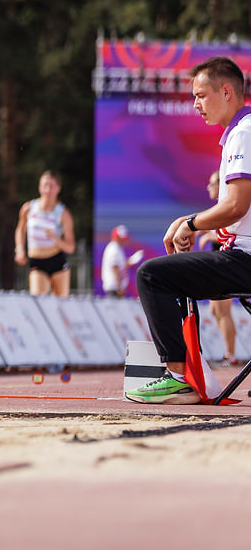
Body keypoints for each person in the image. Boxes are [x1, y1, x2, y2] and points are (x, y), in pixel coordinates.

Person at [127, 56, 251, 404]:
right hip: (240, 255)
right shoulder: (240, 133)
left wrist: (189, 222)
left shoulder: (245, 133)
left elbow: (236, 206)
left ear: (226, 91)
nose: (195, 105)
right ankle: (189, 374)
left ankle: (180, 377)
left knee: (153, 275)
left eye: (200, 95)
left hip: (246, 259)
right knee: (172, 273)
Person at [195, 170, 239, 364]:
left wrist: (208, 236)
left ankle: (231, 355)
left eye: (212, 183)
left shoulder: (229, 205)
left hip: (227, 263)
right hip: (218, 263)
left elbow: (231, 234)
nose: (208, 187)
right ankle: (228, 353)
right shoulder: (220, 208)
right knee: (216, 311)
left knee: (224, 311)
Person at [14, 171, 76, 297]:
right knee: (38, 301)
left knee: (61, 307)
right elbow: (20, 229)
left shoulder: (63, 213)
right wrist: (20, 249)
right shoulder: (29, 208)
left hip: (56, 260)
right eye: (45, 185)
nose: (48, 190)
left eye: (51, 186)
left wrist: (55, 238)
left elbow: (71, 247)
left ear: (58, 188)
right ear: (39, 187)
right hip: (37, 261)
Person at [101, 225, 143, 298]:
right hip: (114, 289)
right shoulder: (114, 248)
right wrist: (119, 287)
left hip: (115, 288)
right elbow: (114, 268)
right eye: (122, 238)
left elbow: (119, 267)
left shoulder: (116, 248)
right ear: (116, 237)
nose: (124, 240)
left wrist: (130, 261)